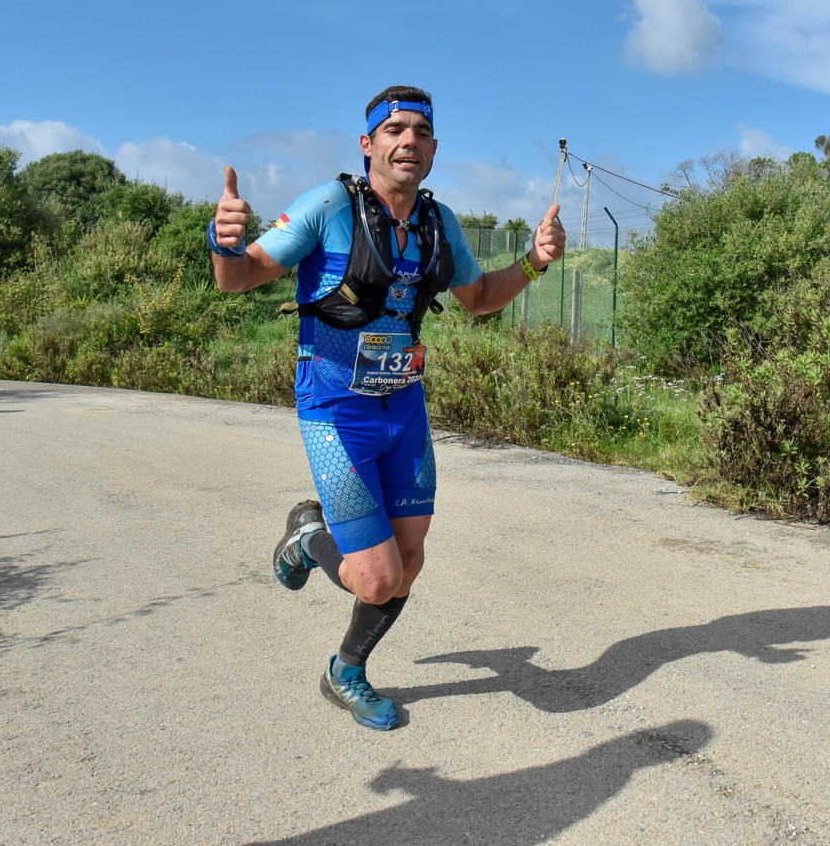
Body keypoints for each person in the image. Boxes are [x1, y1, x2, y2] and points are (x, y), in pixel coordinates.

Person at [209, 85, 566, 730]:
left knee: (409, 564)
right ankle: (306, 536)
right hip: (336, 409)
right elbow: (239, 277)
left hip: (404, 409)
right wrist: (225, 242)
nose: (409, 141)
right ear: (369, 143)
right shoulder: (328, 206)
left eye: (421, 132)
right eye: (394, 129)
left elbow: (480, 298)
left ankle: (346, 671)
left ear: (433, 148)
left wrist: (535, 265)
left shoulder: (438, 222)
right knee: (375, 579)